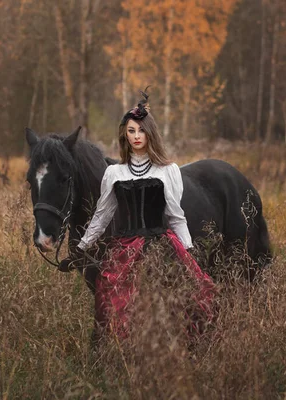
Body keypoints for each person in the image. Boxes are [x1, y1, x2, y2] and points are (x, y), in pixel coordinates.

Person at [62, 89, 215, 339]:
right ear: (125, 134)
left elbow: (176, 216)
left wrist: (188, 249)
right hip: (125, 248)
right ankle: (127, 357)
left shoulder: (168, 170)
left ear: (150, 133)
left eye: (141, 130)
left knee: (180, 298)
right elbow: (102, 216)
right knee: (116, 304)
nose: (136, 136)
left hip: (162, 244)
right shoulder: (115, 174)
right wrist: (81, 248)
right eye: (131, 131)